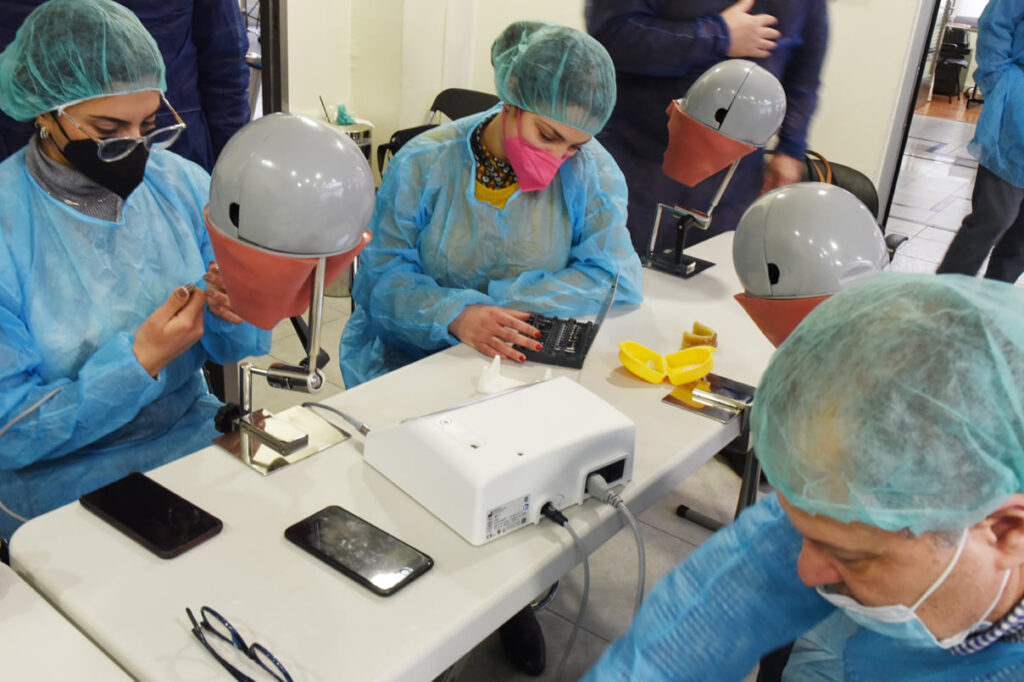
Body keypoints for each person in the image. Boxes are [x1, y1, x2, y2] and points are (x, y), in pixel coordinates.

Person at [583, 272, 1024, 681]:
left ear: (1007, 531)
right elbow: (677, 644)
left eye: (855, 559)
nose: (805, 570)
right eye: (801, 530)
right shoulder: (850, 511)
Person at [0, 0, 270, 540]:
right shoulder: (11, 225)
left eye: (148, 125)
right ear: (45, 113)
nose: (137, 148)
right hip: (59, 486)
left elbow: (232, 346)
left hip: (190, 442)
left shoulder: (181, 183)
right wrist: (138, 362)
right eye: (109, 128)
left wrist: (236, 309)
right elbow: (10, 434)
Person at [339, 20, 643, 389]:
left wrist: (498, 302)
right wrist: (453, 314)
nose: (558, 158)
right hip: (413, 359)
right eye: (547, 136)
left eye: (574, 146)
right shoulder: (423, 164)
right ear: (512, 100)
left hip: (519, 368)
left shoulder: (590, 170)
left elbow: (615, 277)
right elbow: (380, 279)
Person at [585, 0, 828, 255]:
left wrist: (791, 147)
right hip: (639, 168)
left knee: (711, 272)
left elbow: (805, 72)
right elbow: (611, 36)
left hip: (734, 183)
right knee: (621, 270)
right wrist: (718, 35)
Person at [0, 0, 251, 171]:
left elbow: (224, 62)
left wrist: (234, 167)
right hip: (37, 146)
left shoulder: (183, 185)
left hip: (166, 139)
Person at [937, 0, 1024, 284]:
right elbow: (996, 24)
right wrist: (999, 84)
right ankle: (943, 296)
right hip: (1017, 109)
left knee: (1020, 242)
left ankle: (991, 303)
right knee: (993, 218)